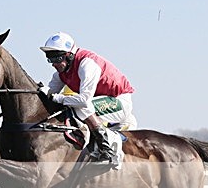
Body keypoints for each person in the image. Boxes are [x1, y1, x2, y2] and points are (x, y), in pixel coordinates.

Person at [40, 32, 137, 165]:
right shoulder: (61, 74)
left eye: (57, 59)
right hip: (100, 101)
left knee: (81, 107)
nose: (53, 64)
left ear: (69, 55)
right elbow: (48, 95)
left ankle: (106, 149)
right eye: (50, 59)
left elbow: (84, 100)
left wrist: (58, 98)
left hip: (120, 101)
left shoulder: (87, 64)